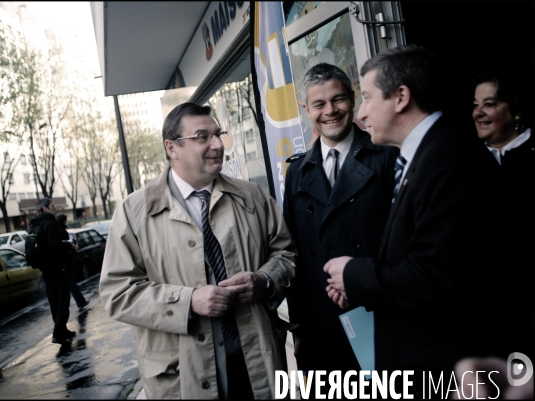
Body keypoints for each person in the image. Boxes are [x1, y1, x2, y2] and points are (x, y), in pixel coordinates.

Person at [322, 45, 502, 392]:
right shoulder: (427, 153)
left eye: (369, 97)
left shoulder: (448, 157)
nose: (361, 112)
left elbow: (433, 275)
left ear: (401, 96)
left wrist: (354, 274)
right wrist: (357, 286)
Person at [99, 103, 296, 399]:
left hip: (256, 364)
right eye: (203, 137)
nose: (217, 144)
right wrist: (187, 301)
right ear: (172, 147)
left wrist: (264, 280)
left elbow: (287, 254)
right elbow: (117, 293)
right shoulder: (134, 212)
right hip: (182, 376)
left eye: (219, 134)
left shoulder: (253, 197)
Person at [283, 63, 397, 375]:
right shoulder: (296, 172)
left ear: (353, 97)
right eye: (319, 104)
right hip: (321, 324)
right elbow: (293, 259)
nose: (330, 111)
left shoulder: (386, 155)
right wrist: (299, 332)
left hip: (379, 314)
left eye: (338, 99)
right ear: (306, 109)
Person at [471, 73, 533, 360]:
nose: (478, 112)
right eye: (475, 104)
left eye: (490, 104)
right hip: (486, 305)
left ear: (514, 109)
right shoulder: (465, 161)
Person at [29, 198, 75, 345]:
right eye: (52, 206)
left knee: (54, 300)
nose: (55, 208)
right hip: (56, 267)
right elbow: (54, 246)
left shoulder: (36, 226)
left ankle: (61, 329)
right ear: (45, 209)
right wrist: (68, 246)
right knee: (63, 298)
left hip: (45, 269)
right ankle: (58, 332)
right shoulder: (50, 224)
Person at [56, 213, 90, 311]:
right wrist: (72, 247)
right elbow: (67, 247)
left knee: (63, 286)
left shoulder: (55, 231)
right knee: (71, 283)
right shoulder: (62, 232)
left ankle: (65, 306)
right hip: (65, 262)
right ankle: (80, 302)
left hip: (59, 263)